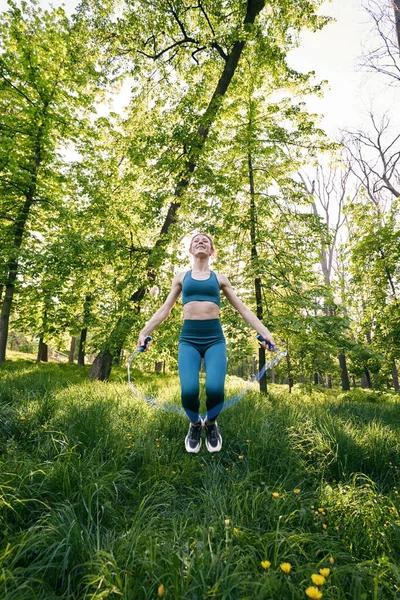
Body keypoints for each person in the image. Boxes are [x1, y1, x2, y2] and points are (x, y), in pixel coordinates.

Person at [137, 233, 275, 454]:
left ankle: (210, 425)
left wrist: (265, 333)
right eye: (196, 241)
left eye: (206, 241)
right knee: (189, 391)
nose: (200, 242)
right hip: (188, 340)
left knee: (215, 390)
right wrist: (144, 332)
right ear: (191, 250)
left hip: (214, 340)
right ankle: (194, 424)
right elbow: (165, 309)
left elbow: (243, 309)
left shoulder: (220, 279)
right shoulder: (182, 278)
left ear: (212, 251)